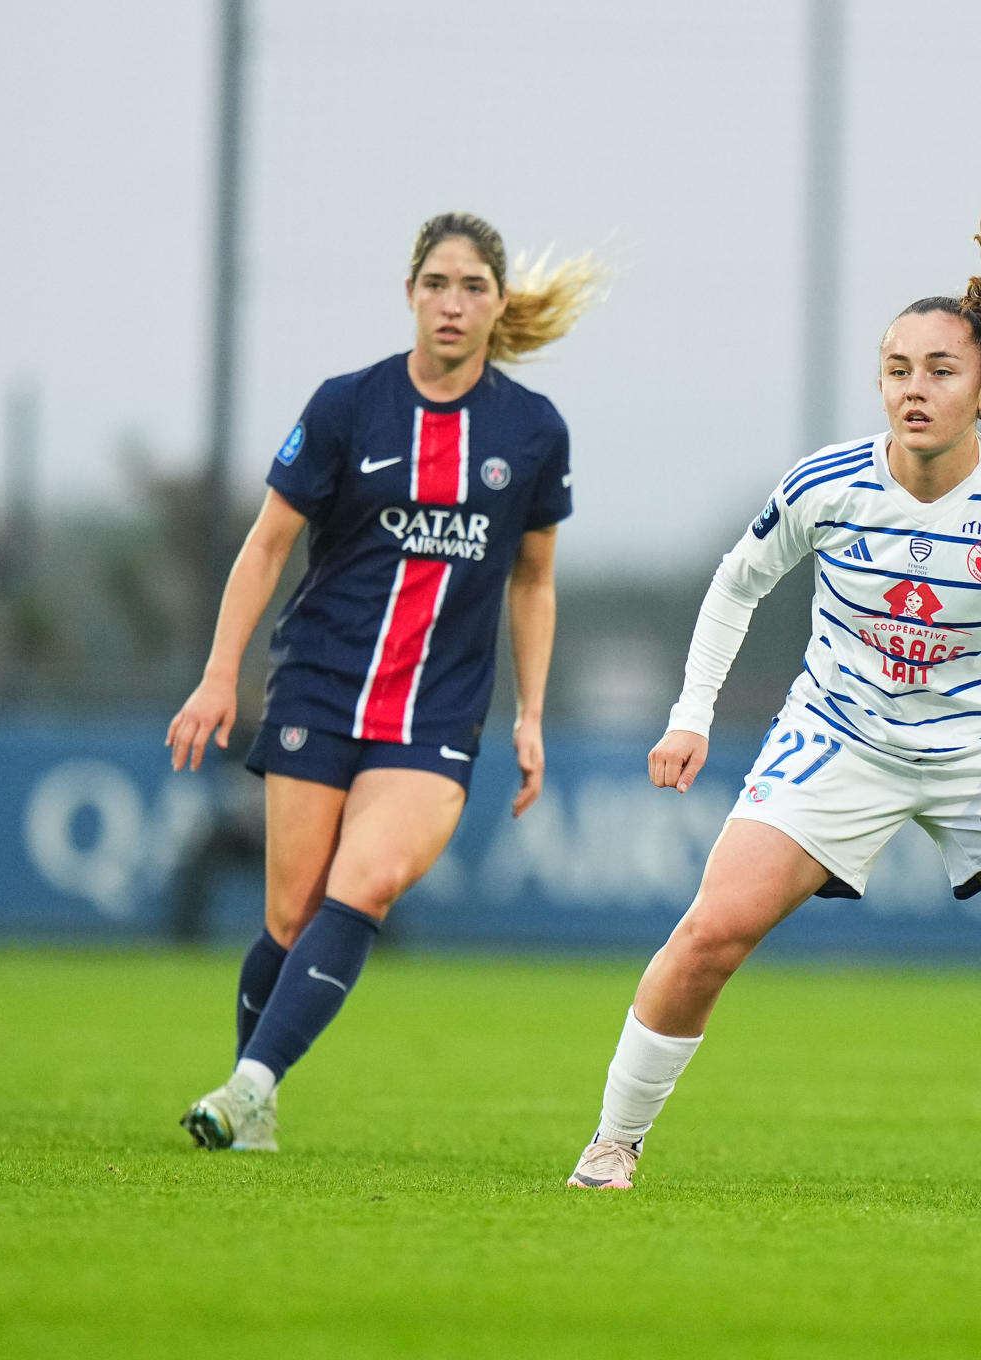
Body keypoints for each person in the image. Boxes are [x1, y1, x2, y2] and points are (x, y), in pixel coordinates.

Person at [566, 209, 981, 1203]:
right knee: (711, 932)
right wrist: (691, 711)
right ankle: (613, 1144)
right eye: (898, 366)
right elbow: (739, 582)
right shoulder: (827, 485)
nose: (915, 386)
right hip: (837, 741)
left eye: (941, 368)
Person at [167, 211, 600, 1150]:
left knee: (365, 884)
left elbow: (533, 581)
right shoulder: (346, 406)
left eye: (473, 286)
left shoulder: (531, 431)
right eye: (437, 283)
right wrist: (217, 676)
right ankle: (258, 1104)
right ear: (409, 293)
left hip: (434, 712)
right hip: (320, 687)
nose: (453, 302)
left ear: (498, 303)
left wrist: (530, 713)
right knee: (288, 914)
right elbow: (267, 545)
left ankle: (245, 1086)